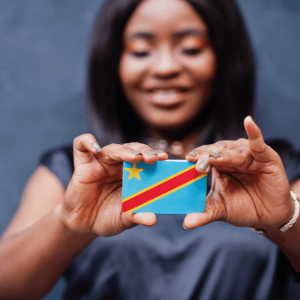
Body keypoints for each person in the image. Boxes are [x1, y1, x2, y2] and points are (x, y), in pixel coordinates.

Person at [1, 0, 300, 299]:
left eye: (191, 48)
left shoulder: (275, 172)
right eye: (141, 51)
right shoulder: (73, 172)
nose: (165, 68)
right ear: (113, 62)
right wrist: (68, 223)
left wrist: (286, 222)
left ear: (223, 58)